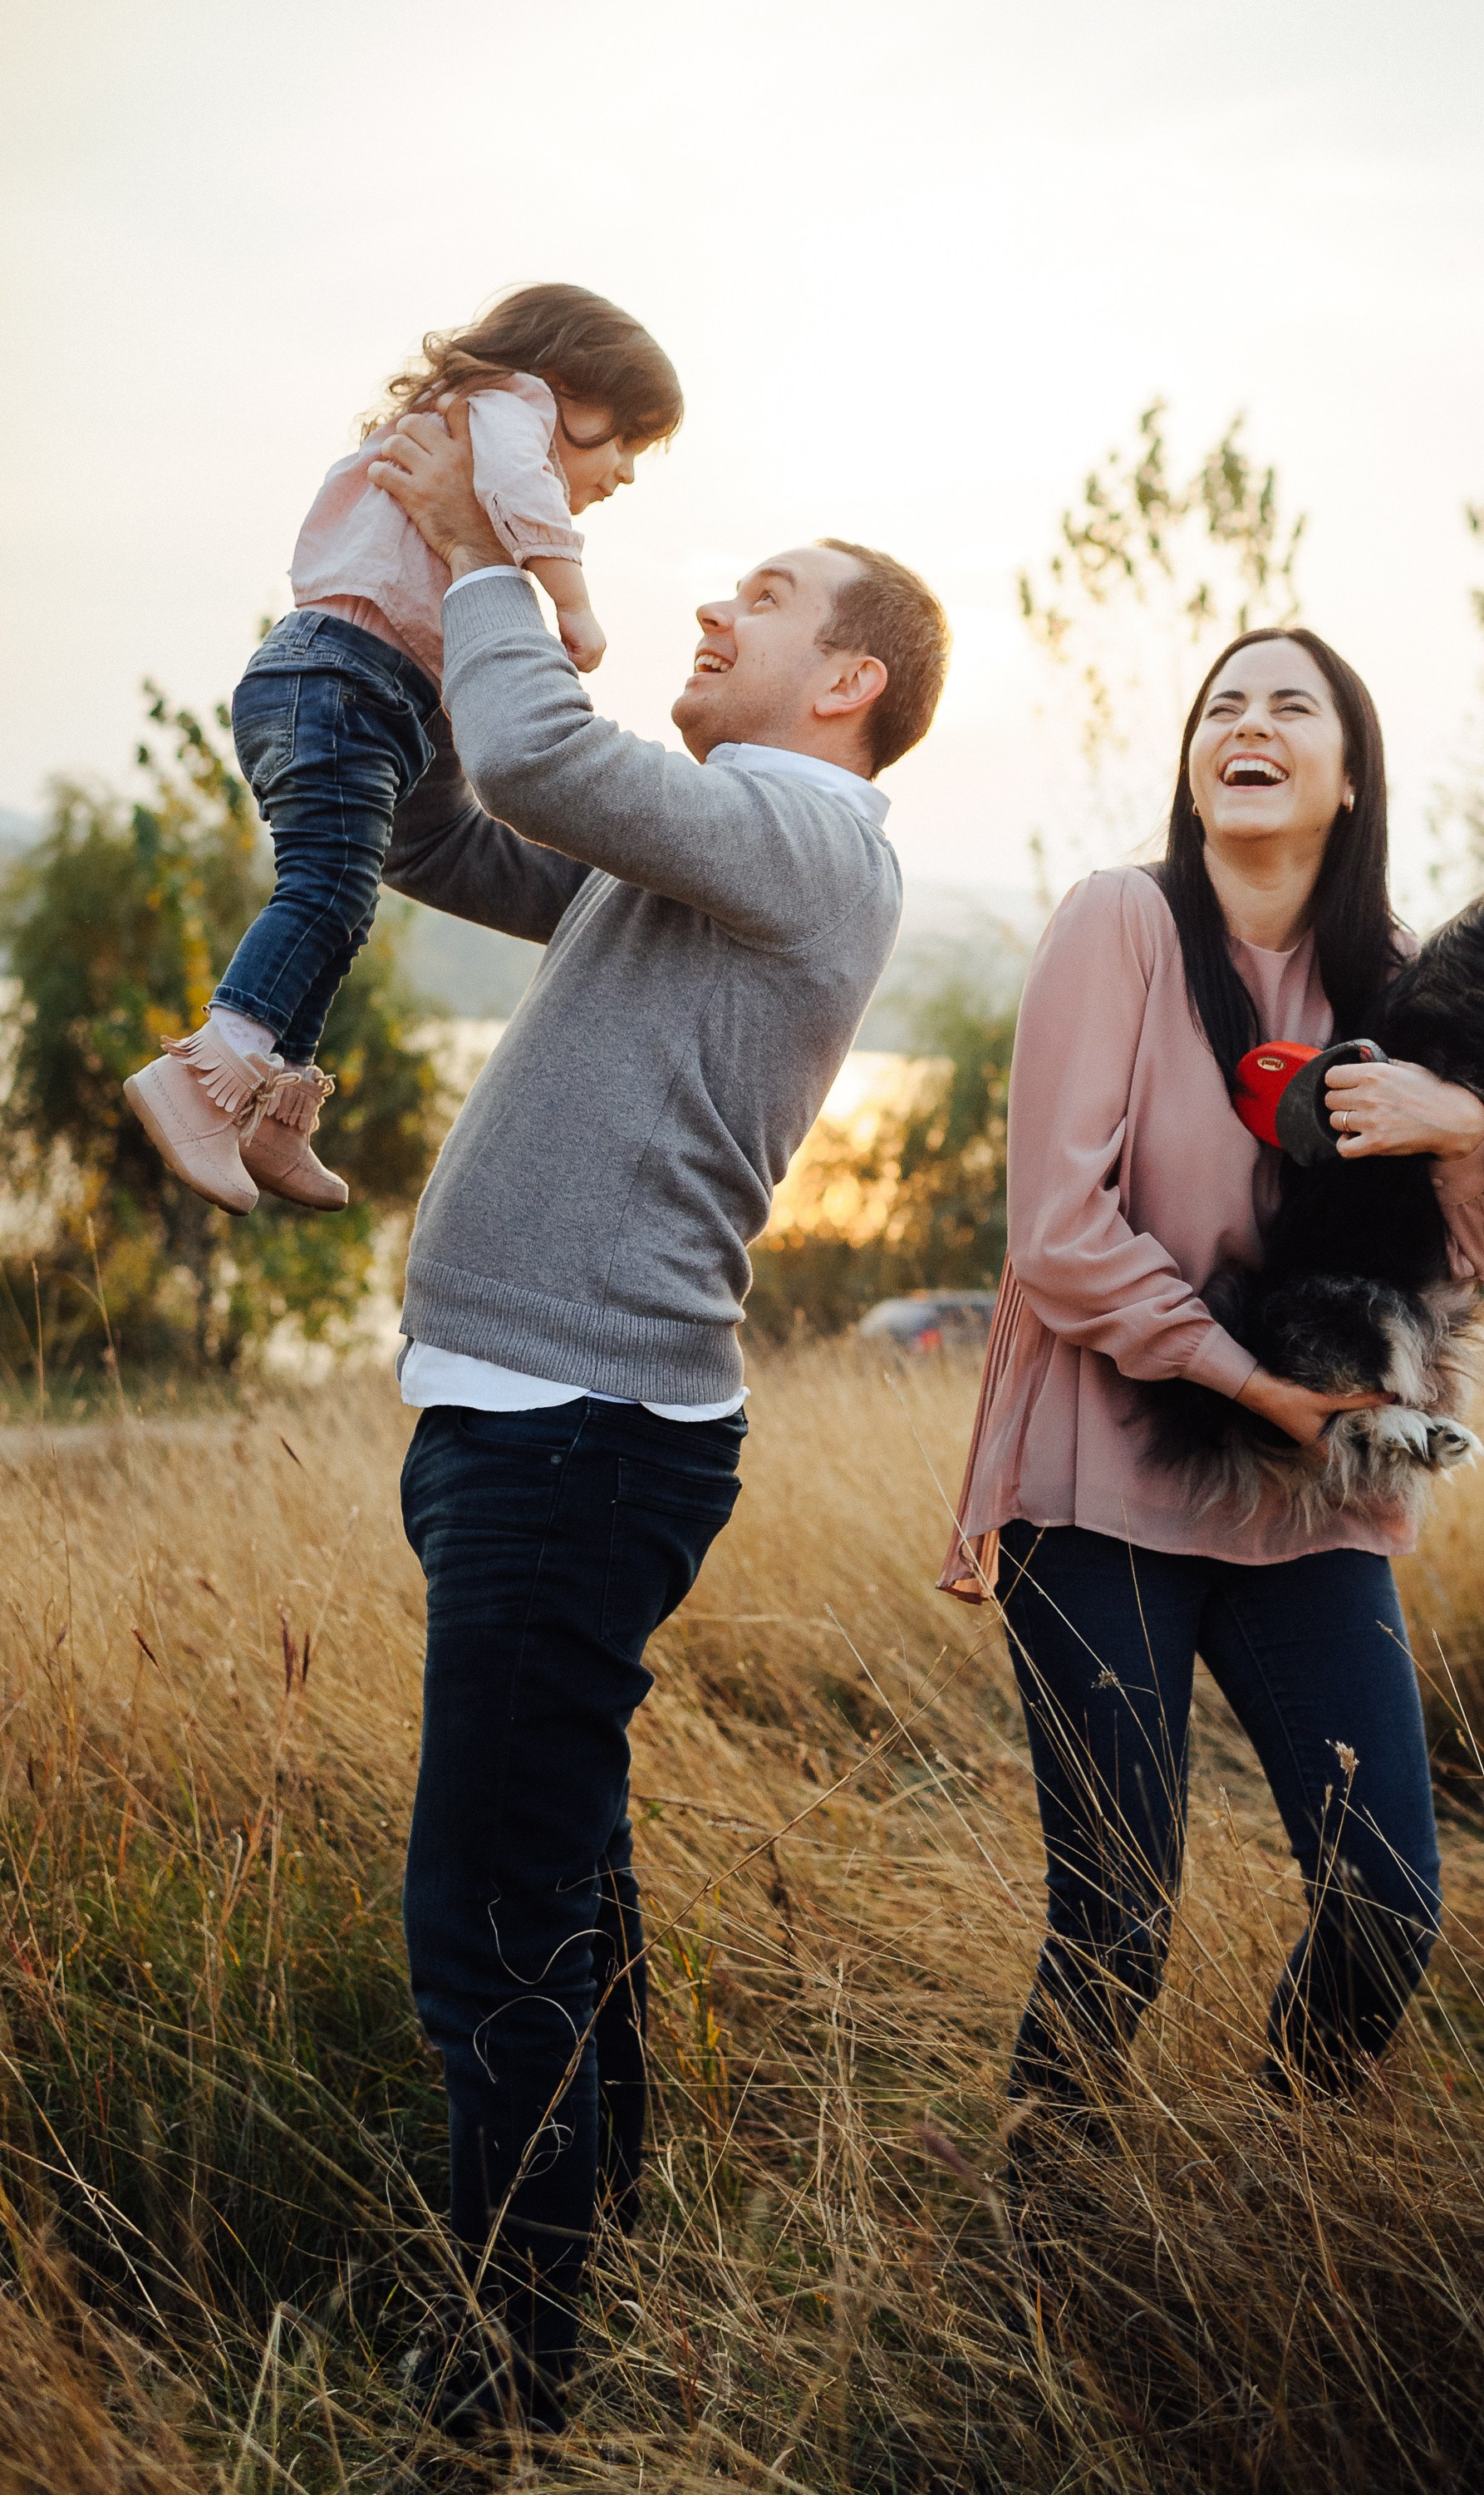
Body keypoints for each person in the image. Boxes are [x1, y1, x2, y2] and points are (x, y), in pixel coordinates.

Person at [361, 402, 951, 2444]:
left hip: (577, 1439)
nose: (713, 604)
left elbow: (538, 754)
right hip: (541, 1427)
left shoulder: (808, 840)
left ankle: (506, 2389)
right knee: (564, 1887)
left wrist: (499, 549)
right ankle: (587, 2256)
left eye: (764, 598)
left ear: (846, 681)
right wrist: (376, 642)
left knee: (489, 1920)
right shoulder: (707, 852)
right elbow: (456, 830)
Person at [941, 626, 1484, 2168]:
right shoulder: (1121, 922)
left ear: (1348, 779)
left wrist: (1460, 1118)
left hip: (1308, 1495)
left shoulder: (1401, 982)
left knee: (1386, 1902)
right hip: (1103, 1482)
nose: (1245, 723)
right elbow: (1057, 1235)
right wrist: (1250, 1380)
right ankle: (1043, 2233)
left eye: (1288, 705)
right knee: (1117, 1913)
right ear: (1195, 762)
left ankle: (1277, 2188)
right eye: (1221, 705)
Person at [122, 283, 681, 1218]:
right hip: (341, 679)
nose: (623, 471)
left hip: (358, 691)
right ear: (563, 379)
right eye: (622, 436)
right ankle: (201, 1078)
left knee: (344, 907)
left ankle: (271, 1109)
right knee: (326, 889)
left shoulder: (468, 423)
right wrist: (572, 604)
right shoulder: (507, 405)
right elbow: (522, 490)